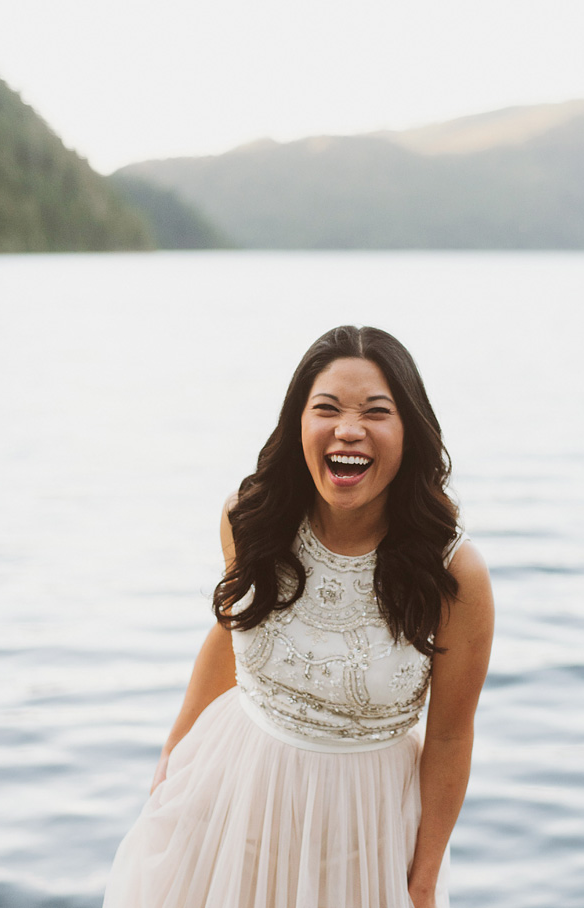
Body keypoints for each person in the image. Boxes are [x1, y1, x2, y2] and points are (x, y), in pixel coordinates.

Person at [102, 326, 494, 908]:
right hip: (231, 798)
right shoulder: (252, 520)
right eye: (327, 409)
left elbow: (451, 734)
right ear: (299, 425)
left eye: (376, 412)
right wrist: (173, 753)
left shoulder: (454, 574)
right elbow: (229, 635)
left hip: (364, 829)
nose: (349, 429)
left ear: (409, 432)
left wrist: (424, 878)